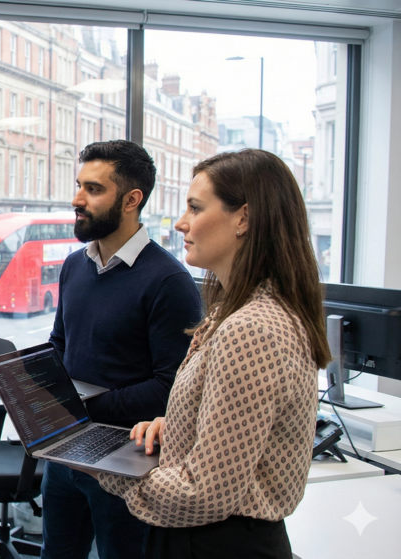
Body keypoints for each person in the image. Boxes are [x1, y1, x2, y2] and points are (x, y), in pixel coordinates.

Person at [94, 149, 331, 559]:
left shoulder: (250, 329)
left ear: (244, 218)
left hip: (217, 542)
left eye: (195, 208)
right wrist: (181, 426)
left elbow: (205, 493)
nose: (181, 222)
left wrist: (108, 467)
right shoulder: (242, 311)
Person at [42, 140, 202, 559]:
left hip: (128, 461)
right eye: (79, 185)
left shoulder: (169, 282)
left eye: (93, 189)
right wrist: (33, 380)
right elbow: (62, 344)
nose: (77, 199)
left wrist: (83, 407)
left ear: (132, 200)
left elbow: (171, 389)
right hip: (67, 451)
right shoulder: (75, 265)